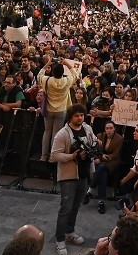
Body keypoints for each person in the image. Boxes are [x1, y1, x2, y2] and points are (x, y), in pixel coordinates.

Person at [49, 104, 96, 254]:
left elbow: (93, 141)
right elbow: (54, 155)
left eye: (82, 115)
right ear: (70, 117)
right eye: (77, 115)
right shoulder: (62, 134)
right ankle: (60, 239)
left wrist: (96, 144)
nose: (80, 118)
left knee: (76, 206)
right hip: (68, 177)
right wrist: (72, 156)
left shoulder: (87, 128)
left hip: (83, 175)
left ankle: (70, 232)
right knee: (66, 209)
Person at [40, 58, 80, 161]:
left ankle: (43, 156)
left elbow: (39, 75)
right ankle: (52, 157)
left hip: (48, 110)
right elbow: (75, 75)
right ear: (63, 72)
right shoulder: (67, 81)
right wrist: (67, 63)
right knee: (56, 134)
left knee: (46, 132)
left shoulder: (47, 80)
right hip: (61, 110)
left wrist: (47, 64)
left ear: (52, 72)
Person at [91, 121, 124, 213]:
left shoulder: (119, 139)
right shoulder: (100, 136)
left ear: (114, 129)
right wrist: (99, 157)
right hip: (101, 161)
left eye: (111, 128)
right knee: (103, 174)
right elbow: (95, 150)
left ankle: (90, 190)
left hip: (112, 162)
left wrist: (106, 157)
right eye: (107, 128)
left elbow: (116, 154)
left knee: (102, 167)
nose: (109, 130)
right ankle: (101, 201)